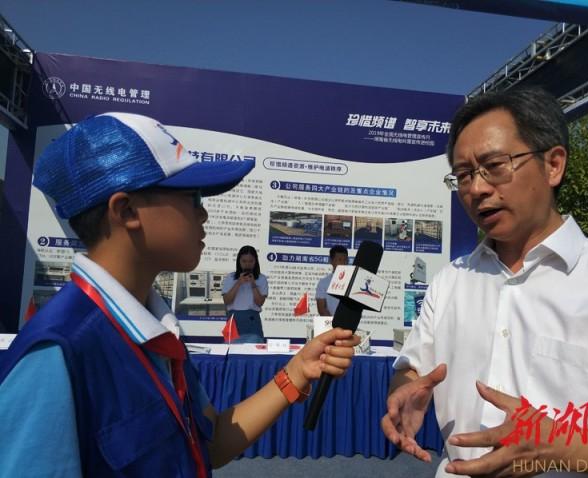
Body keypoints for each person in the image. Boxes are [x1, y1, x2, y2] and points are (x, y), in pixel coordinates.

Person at [0, 112, 360, 477]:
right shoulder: (55, 354)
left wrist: (297, 372)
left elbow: (209, 443)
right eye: (193, 197)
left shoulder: (158, 330)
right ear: (126, 211)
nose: (203, 215)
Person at [381, 88, 588, 477]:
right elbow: (413, 369)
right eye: (463, 175)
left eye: (494, 165)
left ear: (553, 165)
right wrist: (405, 390)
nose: (477, 188)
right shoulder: (451, 282)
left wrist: (559, 446)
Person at [221, 245, 268, 342]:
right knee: (232, 352)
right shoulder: (231, 277)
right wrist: (238, 283)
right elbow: (227, 301)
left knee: (254, 352)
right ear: (239, 261)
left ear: (256, 261)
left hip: (252, 320)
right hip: (234, 320)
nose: (247, 264)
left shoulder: (261, 278)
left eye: (251, 261)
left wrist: (253, 284)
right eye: (244, 261)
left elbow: (260, 303)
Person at [315, 245, 349, 316]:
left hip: (350, 325)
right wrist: (333, 323)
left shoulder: (353, 281)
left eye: (345, 260)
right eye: (339, 260)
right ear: (331, 261)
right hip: (331, 324)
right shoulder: (323, 283)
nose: (343, 263)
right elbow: (322, 309)